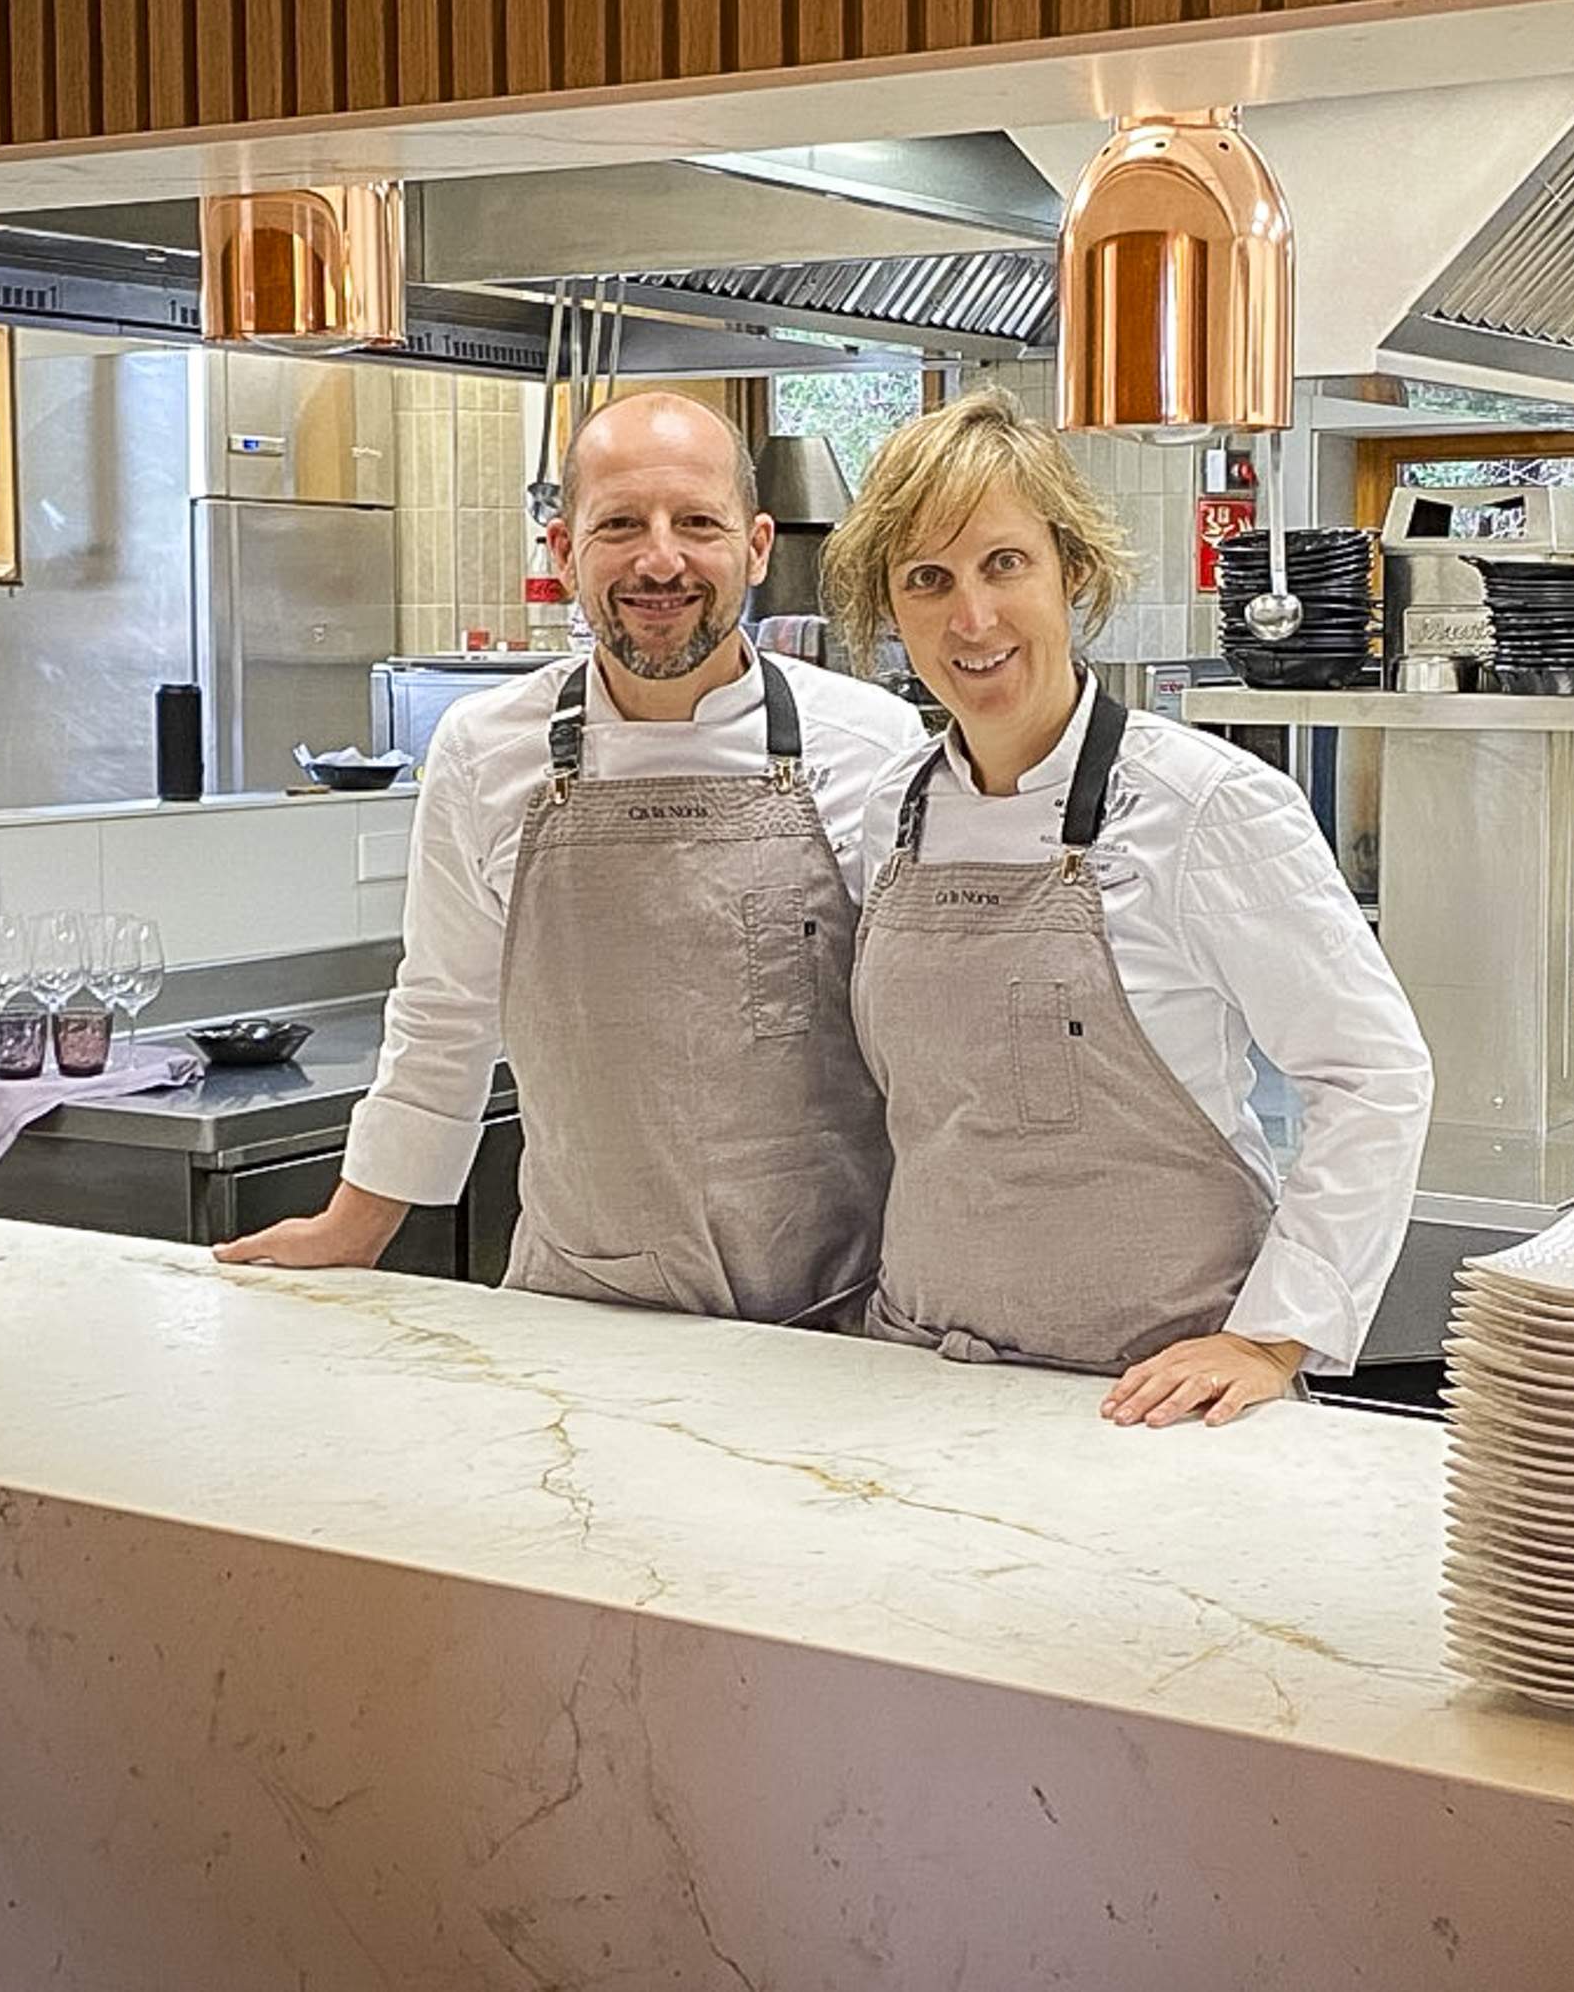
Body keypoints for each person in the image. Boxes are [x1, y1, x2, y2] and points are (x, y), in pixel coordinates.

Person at [218, 392, 924, 1327]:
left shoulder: (873, 744)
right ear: (563, 551)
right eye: (620, 524)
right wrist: (356, 1226)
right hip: (581, 1315)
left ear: (755, 547)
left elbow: (936, 1039)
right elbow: (444, 1015)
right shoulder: (483, 750)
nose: (659, 559)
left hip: (837, 1318)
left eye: (696, 524)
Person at [819, 388, 1433, 1426]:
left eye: (1003, 565)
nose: (972, 620)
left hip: (1153, 1398)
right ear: (891, 611)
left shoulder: (1208, 806)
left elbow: (1373, 1075)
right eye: (929, 580)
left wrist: (1269, 1336)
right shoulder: (892, 815)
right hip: (923, 1377)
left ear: (1073, 571)